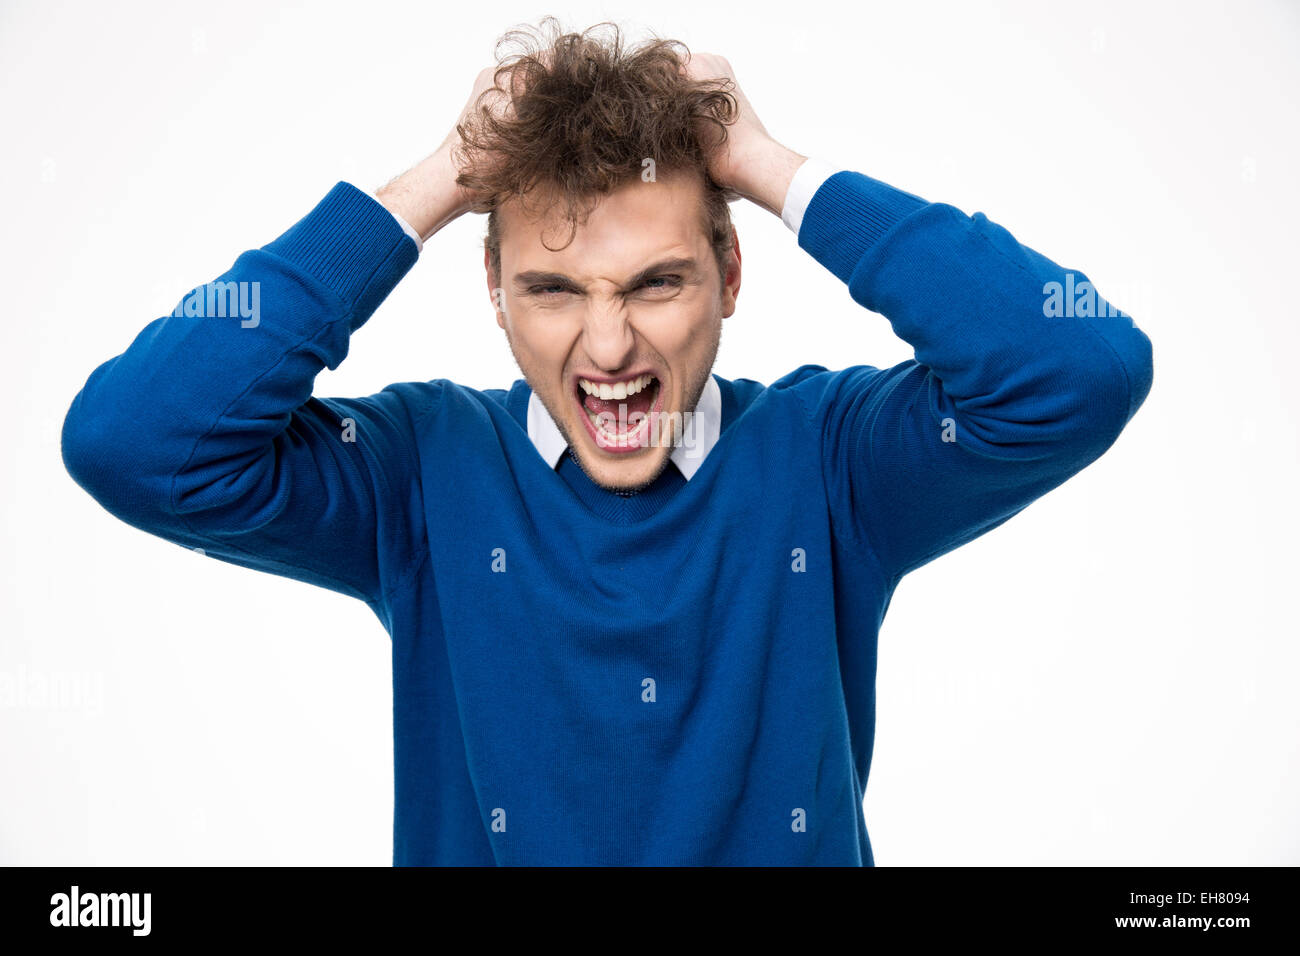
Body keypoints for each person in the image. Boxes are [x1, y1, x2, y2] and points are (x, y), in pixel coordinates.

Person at [61, 18, 1153, 865]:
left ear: (729, 275)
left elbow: (1081, 365)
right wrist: (439, 178)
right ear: (492, 289)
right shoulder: (421, 468)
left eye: (657, 281)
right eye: (550, 289)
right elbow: (132, 439)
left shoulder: (828, 462)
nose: (609, 342)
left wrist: (771, 166)